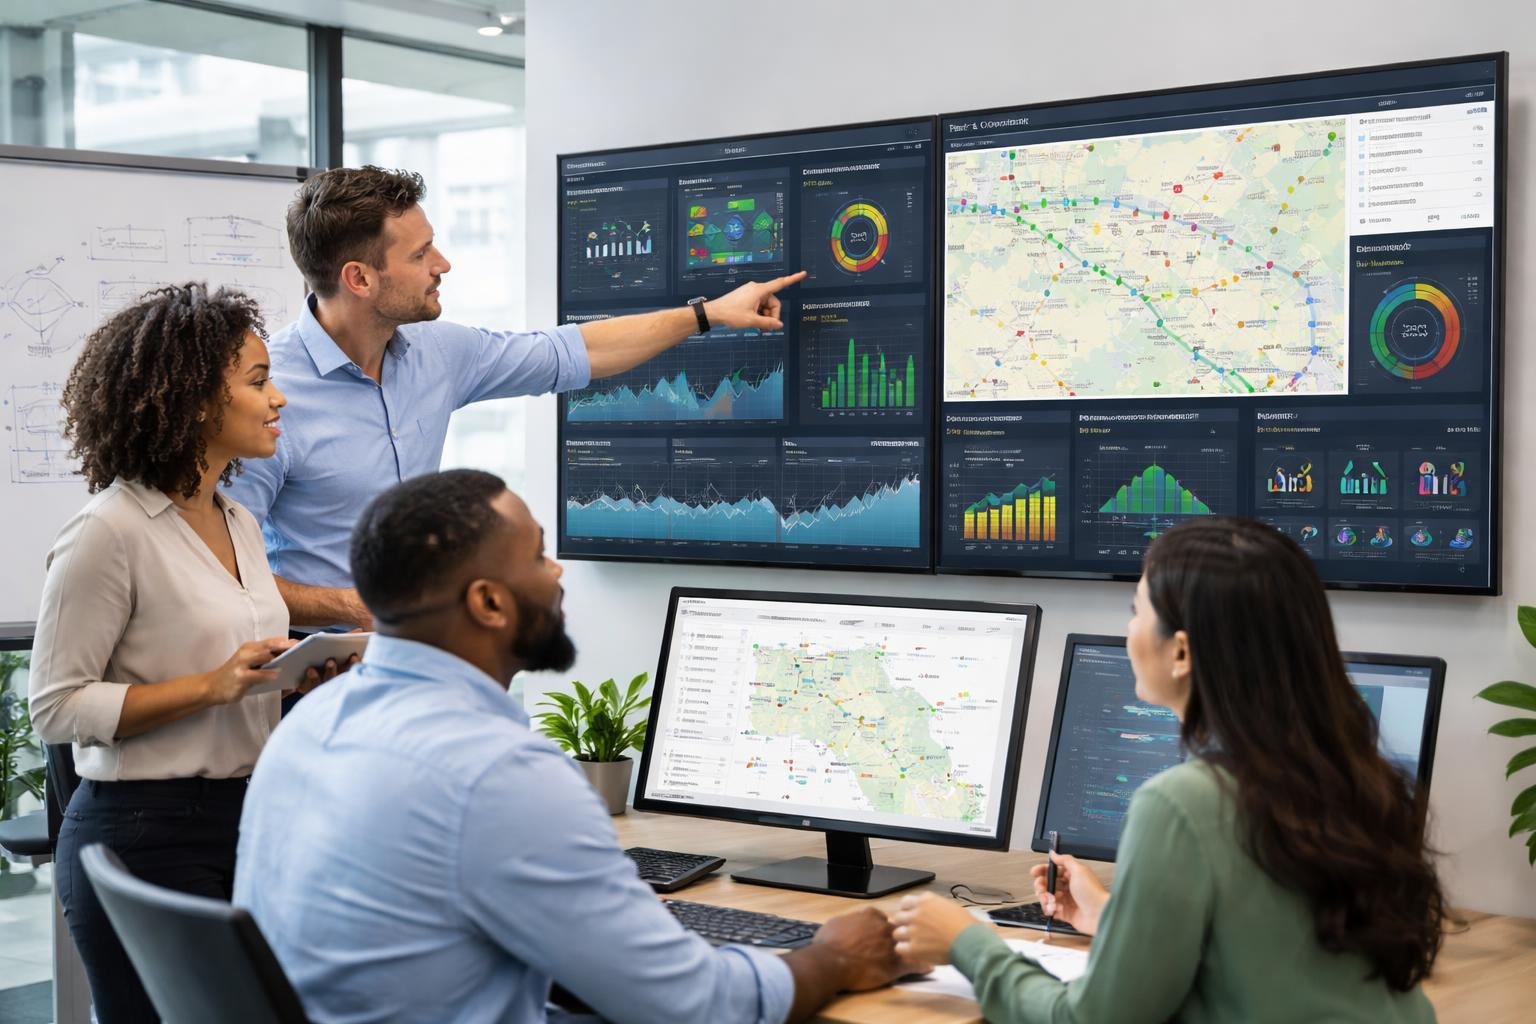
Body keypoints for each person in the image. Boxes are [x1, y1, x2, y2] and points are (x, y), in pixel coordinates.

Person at [233, 469, 911, 1023]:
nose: (556, 572)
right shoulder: (496, 773)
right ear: (489, 604)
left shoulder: (310, 726)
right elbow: (694, 1006)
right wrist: (831, 959)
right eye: (536, 555)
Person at [891, 516, 1446, 1023]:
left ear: (1181, 653)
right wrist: (1116, 919)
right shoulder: (1354, 779)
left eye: (1137, 610)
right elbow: (1264, 957)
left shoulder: (1183, 804)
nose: (1130, 629)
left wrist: (967, 942)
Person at [224, 165, 804, 630]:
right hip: (308, 677)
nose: (441, 264)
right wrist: (356, 608)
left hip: (409, 658)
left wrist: (706, 315)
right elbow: (225, 576)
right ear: (359, 279)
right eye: (420, 254)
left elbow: (573, 352)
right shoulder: (267, 397)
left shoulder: (437, 353)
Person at [29, 283, 348, 1023]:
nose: (280, 401)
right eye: (259, 382)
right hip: (145, 832)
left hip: (252, 818)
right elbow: (54, 707)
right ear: (196, 399)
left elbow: (239, 674)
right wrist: (212, 687)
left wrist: (297, 679)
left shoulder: (236, 518)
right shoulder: (108, 532)